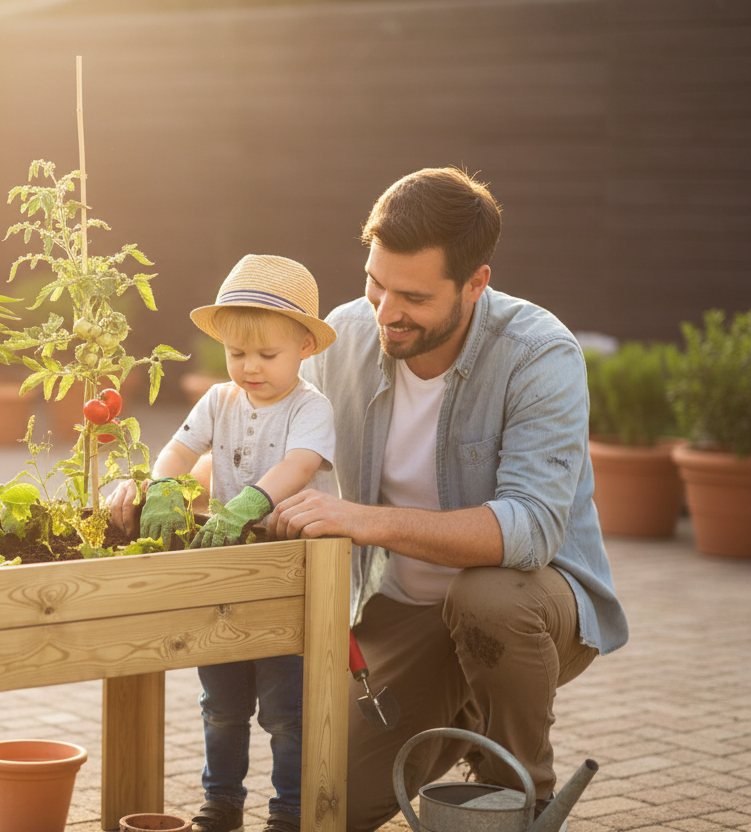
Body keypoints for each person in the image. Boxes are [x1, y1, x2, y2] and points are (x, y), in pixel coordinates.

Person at [259, 167, 629, 830]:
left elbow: (530, 530)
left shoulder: (540, 354)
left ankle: (520, 796)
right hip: (405, 610)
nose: (384, 313)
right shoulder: (343, 340)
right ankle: (456, 710)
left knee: (485, 599)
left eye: (413, 297)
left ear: (475, 283)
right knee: (320, 804)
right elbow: (266, 447)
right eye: (376, 284)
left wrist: (362, 521)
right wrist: (166, 481)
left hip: (532, 609)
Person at [138, 254, 338, 832]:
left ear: (304, 346)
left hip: (286, 573)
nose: (249, 368)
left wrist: (252, 500)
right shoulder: (219, 401)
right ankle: (221, 804)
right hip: (224, 573)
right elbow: (176, 451)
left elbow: (301, 464)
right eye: (237, 353)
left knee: (284, 711)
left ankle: (290, 812)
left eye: (266, 355)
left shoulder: (310, 407)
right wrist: (162, 486)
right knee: (221, 706)